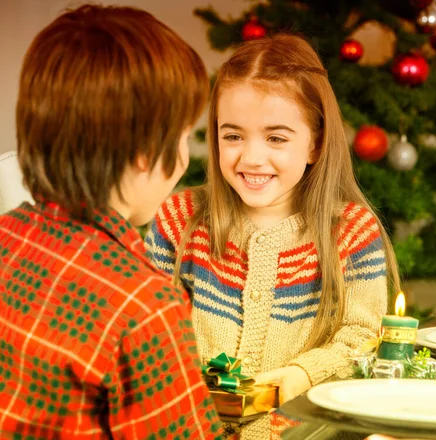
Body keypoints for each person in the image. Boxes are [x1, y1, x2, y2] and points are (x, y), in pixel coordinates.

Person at [145, 34, 401, 438]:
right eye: (233, 136)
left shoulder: (350, 233)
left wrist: (303, 374)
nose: (251, 158)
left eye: (276, 138)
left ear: (315, 143)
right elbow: (147, 336)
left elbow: (363, 337)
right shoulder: (179, 220)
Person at [0, 5, 222, 439]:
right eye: (183, 136)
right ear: (144, 153)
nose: (185, 156)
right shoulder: (145, 307)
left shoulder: (6, 234)